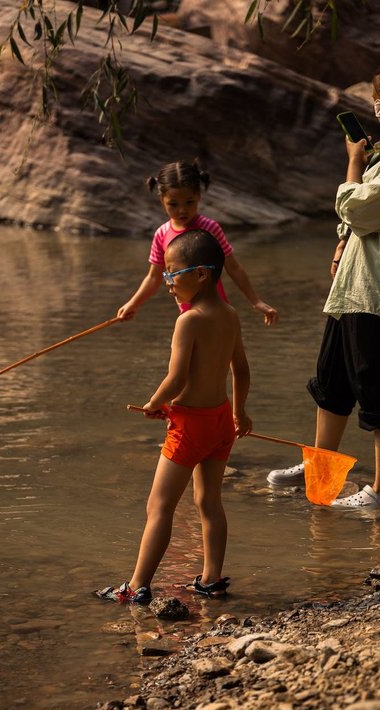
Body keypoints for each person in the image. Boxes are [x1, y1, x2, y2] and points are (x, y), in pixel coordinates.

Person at [268, 52, 380, 508]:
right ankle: (321, 469)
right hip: (356, 284)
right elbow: (362, 220)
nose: (376, 111)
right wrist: (341, 242)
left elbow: (358, 207)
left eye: (377, 102)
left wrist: (352, 162)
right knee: (332, 382)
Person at [96, 229, 252, 603]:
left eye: (172, 273)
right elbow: (241, 370)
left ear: (201, 274)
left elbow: (177, 378)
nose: (166, 282)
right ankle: (211, 578)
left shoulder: (189, 320)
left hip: (191, 425)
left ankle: (136, 587)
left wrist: (154, 403)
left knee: (159, 506)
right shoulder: (230, 314)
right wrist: (240, 412)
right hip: (219, 420)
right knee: (209, 502)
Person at [117, 160, 279, 325]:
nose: (182, 210)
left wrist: (256, 301)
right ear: (162, 200)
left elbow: (233, 267)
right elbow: (154, 277)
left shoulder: (210, 228)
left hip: (217, 311)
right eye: (173, 204)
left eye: (189, 202)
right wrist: (133, 304)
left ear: (199, 196)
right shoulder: (162, 234)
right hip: (187, 314)